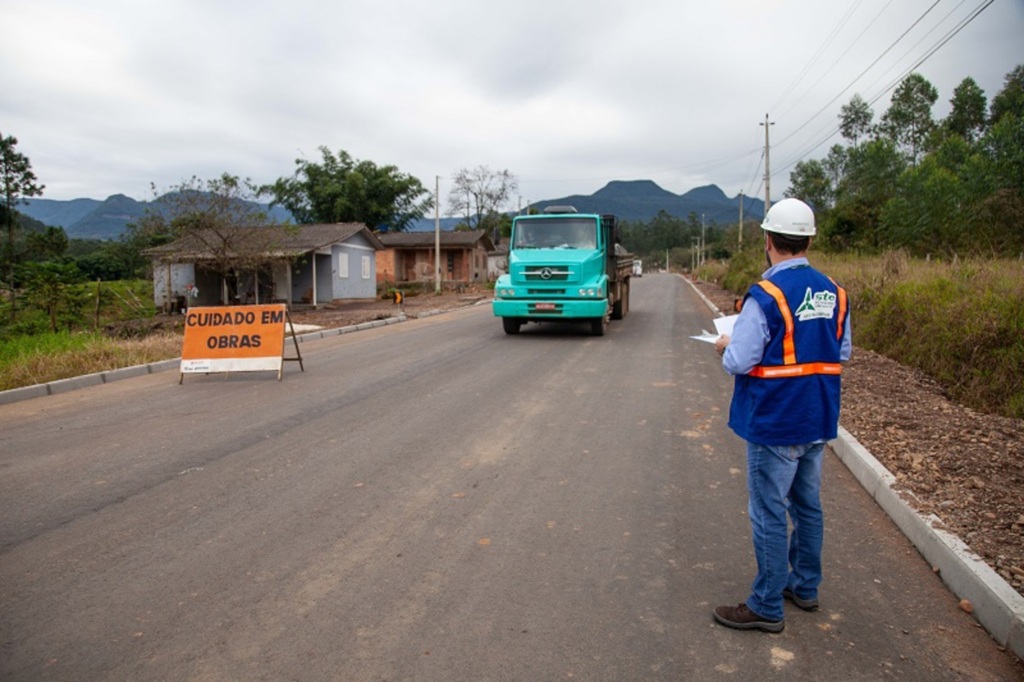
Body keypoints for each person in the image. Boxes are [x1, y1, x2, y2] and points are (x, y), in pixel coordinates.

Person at [712, 198, 852, 633]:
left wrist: (724, 346)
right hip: (818, 414)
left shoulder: (766, 295)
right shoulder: (835, 292)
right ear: (809, 240)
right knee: (807, 505)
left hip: (776, 419)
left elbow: (740, 359)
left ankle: (766, 604)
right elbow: (840, 351)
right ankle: (804, 587)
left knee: (769, 510)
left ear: (768, 240)